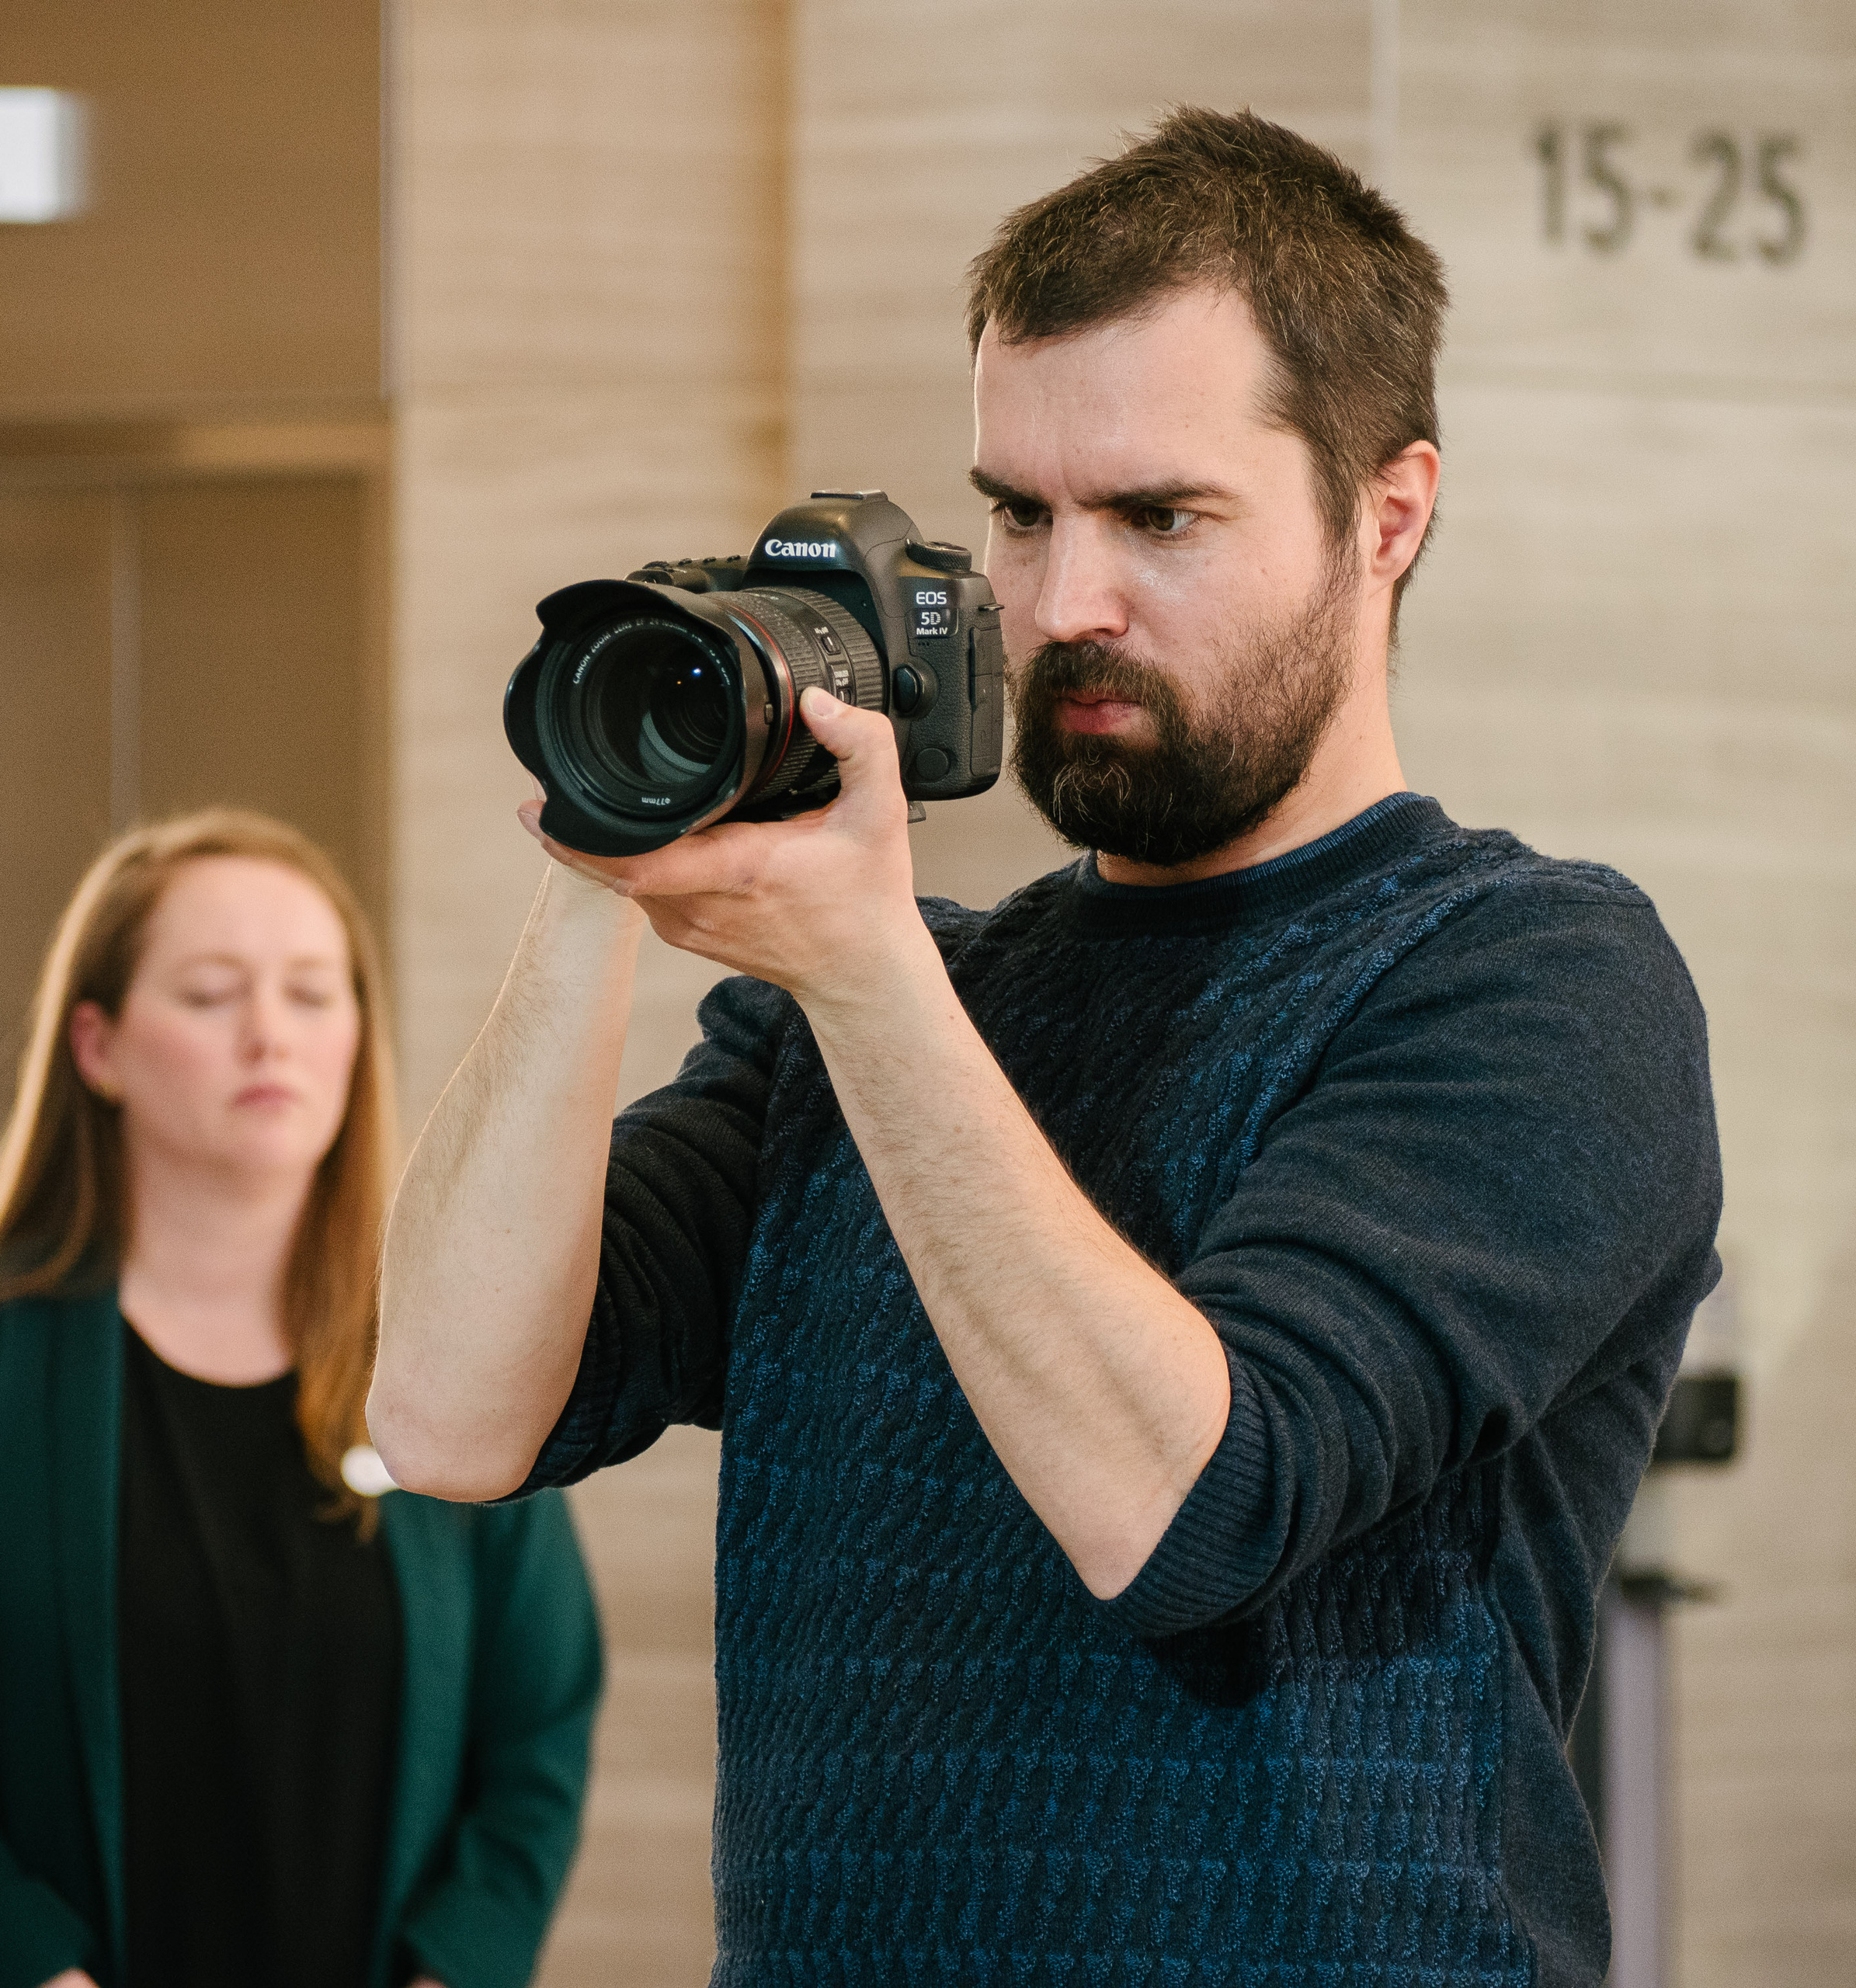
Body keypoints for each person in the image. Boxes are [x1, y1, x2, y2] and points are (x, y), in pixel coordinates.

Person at [369, 108, 1722, 1986]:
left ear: (1386, 512)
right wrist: (605, 852)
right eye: (1016, 511)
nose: (1060, 603)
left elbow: (1191, 1507)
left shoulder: (1527, 977)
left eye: (1158, 517)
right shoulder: (869, 998)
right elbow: (441, 1411)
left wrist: (863, 979)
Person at [0, 809, 601, 1988]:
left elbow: (538, 1730)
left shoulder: (446, 1368)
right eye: (212, 995)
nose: (270, 1035)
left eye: (313, 995)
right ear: (97, 1047)